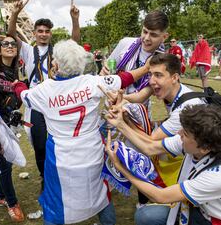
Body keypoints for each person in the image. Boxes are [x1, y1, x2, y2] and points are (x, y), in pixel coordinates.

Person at [13, 39, 152, 225]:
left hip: (61, 157)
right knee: (101, 194)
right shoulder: (92, 82)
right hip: (91, 149)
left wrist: (17, 85)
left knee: (56, 200)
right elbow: (125, 78)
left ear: (56, 64)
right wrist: (145, 69)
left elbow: (23, 95)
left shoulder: (44, 90)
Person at [105, 104, 221, 225]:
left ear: (205, 148)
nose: (178, 134)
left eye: (184, 134)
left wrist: (121, 168)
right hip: (204, 210)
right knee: (145, 216)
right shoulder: (198, 142)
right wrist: (120, 124)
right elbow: (150, 147)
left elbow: (160, 196)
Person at [106, 53, 205, 225]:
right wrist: (123, 100)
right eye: (150, 75)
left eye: (158, 75)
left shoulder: (185, 109)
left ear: (174, 77)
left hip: (202, 169)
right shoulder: (173, 93)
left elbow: (150, 144)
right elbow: (139, 96)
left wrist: (124, 122)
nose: (152, 81)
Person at [7, 0, 81, 200]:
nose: (43, 34)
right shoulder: (28, 50)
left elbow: (74, 43)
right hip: (36, 102)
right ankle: (45, 177)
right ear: (34, 33)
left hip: (56, 101)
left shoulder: (57, 50)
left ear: (50, 33)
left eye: (47, 31)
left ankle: (61, 176)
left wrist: (75, 20)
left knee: (61, 142)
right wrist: (14, 14)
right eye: (39, 31)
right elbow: (11, 35)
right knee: (39, 144)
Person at [99, 10, 168, 207]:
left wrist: (121, 97)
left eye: (153, 34)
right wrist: (105, 70)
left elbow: (143, 94)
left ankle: (143, 202)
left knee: (138, 159)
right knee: (104, 150)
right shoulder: (126, 42)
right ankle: (104, 190)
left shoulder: (162, 59)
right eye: (144, 31)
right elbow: (108, 65)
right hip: (109, 108)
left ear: (165, 36)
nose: (146, 38)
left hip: (135, 115)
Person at [0, 31, 25, 222]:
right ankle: (12, 201)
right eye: (5, 44)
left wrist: (17, 95)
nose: (9, 46)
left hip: (9, 123)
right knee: (5, 165)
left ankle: (0, 196)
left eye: (13, 44)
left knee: (6, 163)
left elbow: (17, 102)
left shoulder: (17, 73)